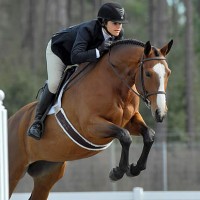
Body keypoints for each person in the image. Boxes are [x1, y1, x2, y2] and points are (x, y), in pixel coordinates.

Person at [27, 2, 128, 140]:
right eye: (115, 23)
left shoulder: (118, 34)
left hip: (84, 57)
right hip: (60, 52)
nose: (118, 27)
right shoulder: (88, 30)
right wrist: (98, 50)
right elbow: (76, 56)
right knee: (54, 84)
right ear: (104, 22)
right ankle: (37, 122)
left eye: (120, 23)